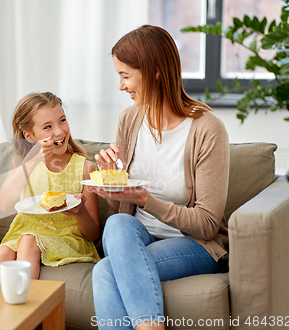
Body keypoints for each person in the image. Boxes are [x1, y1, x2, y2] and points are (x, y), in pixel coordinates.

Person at [91, 25, 230, 330]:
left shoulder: (207, 129)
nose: (120, 86)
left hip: (194, 243)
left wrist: (147, 200)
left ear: (154, 71)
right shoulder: (129, 120)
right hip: (138, 236)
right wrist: (112, 185)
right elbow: (122, 210)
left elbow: (208, 223)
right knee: (117, 223)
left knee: (106, 271)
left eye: (125, 75)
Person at [0, 92, 101, 279]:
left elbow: (93, 234)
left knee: (29, 242)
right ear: (29, 136)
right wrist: (34, 159)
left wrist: (80, 212)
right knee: (3, 253)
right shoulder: (22, 163)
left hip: (67, 237)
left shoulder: (85, 167)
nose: (60, 131)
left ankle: (25, 306)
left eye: (62, 120)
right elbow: (3, 204)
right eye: (48, 126)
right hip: (24, 232)